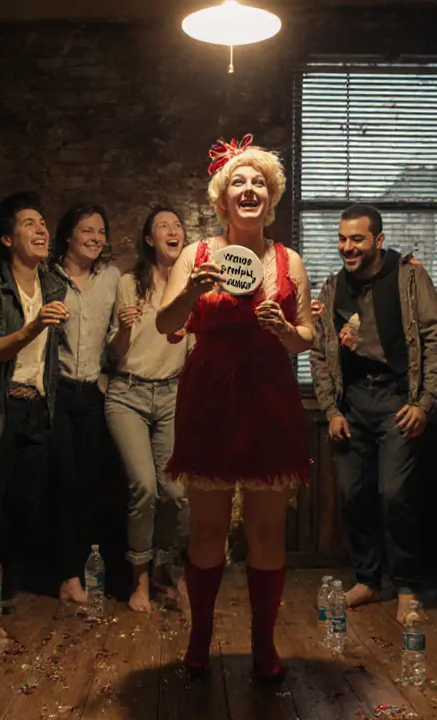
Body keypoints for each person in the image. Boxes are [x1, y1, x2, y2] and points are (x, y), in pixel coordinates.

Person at [156, 135, 313, 680]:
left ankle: (263, 645)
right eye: (239, 183)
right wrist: (190, 293)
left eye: (259, 183)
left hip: (270, 400)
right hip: (210, 401)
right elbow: (165, 324)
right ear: (222, 200)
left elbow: (306, 339)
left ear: (271, 197)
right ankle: (199, 637)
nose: (250, 189)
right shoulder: (197, 256)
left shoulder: (289, 259)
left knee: (267, 534)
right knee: (206, 530)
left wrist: (284, 329)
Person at [309, 204, 437, 624]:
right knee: (353, 495)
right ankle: (368, 580)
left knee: (394, 494)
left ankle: (406, 587)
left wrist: (423, 402)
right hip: (352, 401)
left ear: (378, 241)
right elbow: (320, 353)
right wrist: (331, 408)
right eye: (341, 239)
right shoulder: (332, 288)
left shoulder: (409, 277)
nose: (347, 247)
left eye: (357, 239)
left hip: (396, 399)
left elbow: (434, 339)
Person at [0, 192, 69, 612]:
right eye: (29, 223)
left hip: (38, 407)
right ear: (7, 239)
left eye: (43, 222)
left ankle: (2, 591)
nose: (41, 229)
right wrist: (34, 324)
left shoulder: (52, 283)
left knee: (27, 508)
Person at [106, 206, 193, 613]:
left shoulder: (192, 288)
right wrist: (124, 327)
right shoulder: (130, 285)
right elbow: (115, 353)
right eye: (163, 226)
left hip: (172, 396)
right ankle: (138, 583)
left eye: (177, 225)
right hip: (128, 394)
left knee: (176, 493)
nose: (173, 231)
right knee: (143, 487)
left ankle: (165, 570)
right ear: (148, 239)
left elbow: (196, 352)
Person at [48, 203, 122, 604]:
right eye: (87, 231)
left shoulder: (111, 278)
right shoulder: (48, 277)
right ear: (68, 236)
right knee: (63, 482)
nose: (96, 238)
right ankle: (66, 575)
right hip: (57, 390)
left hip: (93, 391)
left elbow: (116, 335)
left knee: (90, 485)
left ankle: (84, 568)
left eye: (100, 231)